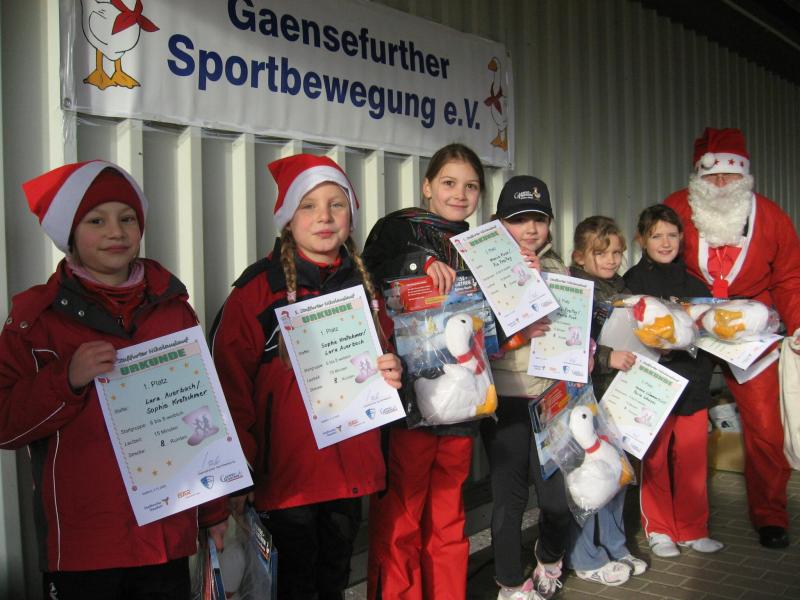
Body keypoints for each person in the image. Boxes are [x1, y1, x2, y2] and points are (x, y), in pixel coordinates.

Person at [0, 160, 227, 599]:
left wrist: (213, 510)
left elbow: (203, 414)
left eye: (127, 218)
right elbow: (5, 423)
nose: (115, 232)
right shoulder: (36, 321)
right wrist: (66, 380)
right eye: (96, 220)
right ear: (69, 234)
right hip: (86, 547)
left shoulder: (173, 311)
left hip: (165, 536)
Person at [210, 154, 403, 599]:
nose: (324, 217)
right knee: (293, 587)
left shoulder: (365, 286)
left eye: (336, 205)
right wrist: (238, 475)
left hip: (348, 472)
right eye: (308, 206)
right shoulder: (257, 292)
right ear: (287, 219)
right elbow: (228, 388)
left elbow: (387, 355)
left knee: (333, 580)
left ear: (351, 216)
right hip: (286, 481)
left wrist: (394, 370)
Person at [663, 127, 800, 549]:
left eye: (730, 175)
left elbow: (790, 276)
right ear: (698, 177)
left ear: (745, 175)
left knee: (764, 425)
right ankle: (675, 516)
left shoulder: (772, 217)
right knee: (679, 418)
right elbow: (657, 256)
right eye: (712, 175)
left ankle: (770, 514)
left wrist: (797, 323)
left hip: (750, 329)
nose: (721, 183)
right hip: (693, 325)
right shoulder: (676, 208)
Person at [362, 143, 484, 599]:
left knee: (449, 514)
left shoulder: (479, 247)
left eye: (471, 186)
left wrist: (518, 278)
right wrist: (421, 263)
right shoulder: (398, 228)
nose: (459, 194)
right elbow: (369, 270)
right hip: (410, 404)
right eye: (449, 183)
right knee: (403, 515)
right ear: (427, 186)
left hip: (463, 403)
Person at [480, 176, 572, 600]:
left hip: (550, 397)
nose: (530, 229)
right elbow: (476, 334)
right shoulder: (483, 267)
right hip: (505, 397)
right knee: (509, 499)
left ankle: (550, 558)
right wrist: (518, 282)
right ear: (499, 223)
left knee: (556, 498)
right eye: (518, 220)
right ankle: (509, 582)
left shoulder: (559, 268)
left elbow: (573, 325)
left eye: (539, 219)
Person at [624, 204, 724, 557]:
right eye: (656, 236)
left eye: (671, 235)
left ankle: (694, 529)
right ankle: (659, 529)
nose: (665, 243)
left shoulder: (696, 285)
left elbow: (709, 337)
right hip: (653, 386)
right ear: (642, 240)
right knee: (654, 460)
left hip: (693, 385)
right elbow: (624, 335)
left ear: (681, 237)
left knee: (693, 460)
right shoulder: (632, 283)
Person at [567, 215, 646, 586]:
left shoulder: (623, 288)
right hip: (587, 397)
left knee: (617, 475)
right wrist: (605, 357)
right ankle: (585, 554)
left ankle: (615, 545)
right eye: (601, 253)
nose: (612, 259)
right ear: (579, 257)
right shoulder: (574, 290)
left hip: (618, 396)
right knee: (591, 479)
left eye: (616, 252)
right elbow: (566, 342)